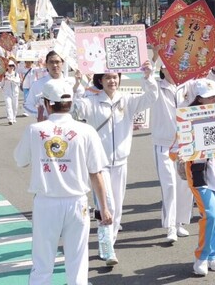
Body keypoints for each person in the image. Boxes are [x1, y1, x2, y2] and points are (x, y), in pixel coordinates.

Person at [14, 78, 112, 285]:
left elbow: (20, 160)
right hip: (78, 203)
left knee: (42, 263)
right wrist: (104, 208)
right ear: (71, 102)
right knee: (77, 263)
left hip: (46, 203)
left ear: (48, 104)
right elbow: (96, 173)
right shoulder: (86, 131)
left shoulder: (35, 130)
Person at [72, 61, 158, 265]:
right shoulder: (92, 101)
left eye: (115, 77)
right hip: (98, 166)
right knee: (105, 205)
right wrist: (76, 86)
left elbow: (151, 97)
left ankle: (110, 241)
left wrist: (148, 77)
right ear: (100, 81)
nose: (112, 80)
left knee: (117, 208)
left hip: (120, 162)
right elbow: (75, 111)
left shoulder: (126, 100)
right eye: (107, 77)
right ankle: (106, 248)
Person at [170, 79, 215, 276]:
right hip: (200, 175)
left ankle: (214, 255)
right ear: (199, 99)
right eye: (210, 97)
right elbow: (173, 150)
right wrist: (182, 152)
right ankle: (202, 256)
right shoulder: (187, 120)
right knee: (211, 215)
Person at [150, 63, 193, 243]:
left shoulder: (188, 84)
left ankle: (180, 222)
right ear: (162, 69)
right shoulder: (157, 87)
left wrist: (213, 68)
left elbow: (208, 85)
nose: (172, 68)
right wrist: (152, 60)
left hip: (185, 142)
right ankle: (170, 226)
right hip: (164, 143)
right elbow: (147, 82)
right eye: (167, 65)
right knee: (169, 185)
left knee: (184, 184)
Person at [24, 51, 81, 121]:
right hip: (46, 126)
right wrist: (40, 114)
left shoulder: (71, 82)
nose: (54, 65)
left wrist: (78, 85)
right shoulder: (38, 84)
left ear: (62, 63)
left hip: (68, 125)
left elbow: (79, 103)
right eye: (51, 62)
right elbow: (27, 105)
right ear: (46, 64)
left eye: (57, 62)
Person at [2, 60, 21, 125]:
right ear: (7, 67)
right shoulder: (4, 75)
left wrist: (11, 79)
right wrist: (2, 81)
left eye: (12, 66)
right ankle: (10, 119)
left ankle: (14, 117)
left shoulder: (16, 74)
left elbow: (18, 82)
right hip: (7, 93)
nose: (11, 67)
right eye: (10, 66)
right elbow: (1, 84)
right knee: (8, 105)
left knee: (15, 106)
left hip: (15, 93)